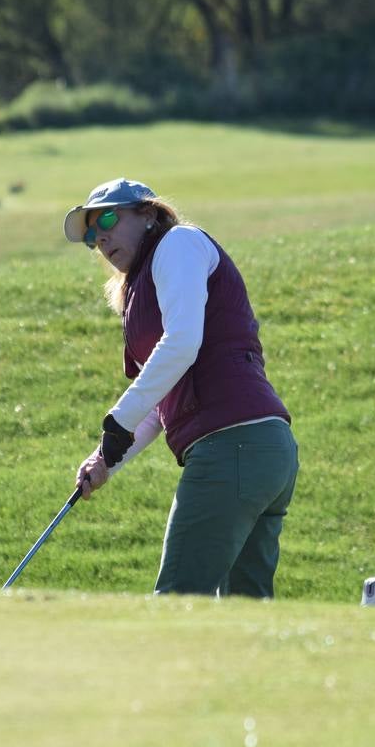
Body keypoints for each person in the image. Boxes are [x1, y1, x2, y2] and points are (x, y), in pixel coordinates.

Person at [63, 177, 299, 597]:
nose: (101, 238)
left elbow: (183, 342)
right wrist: (106, 460)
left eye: (110, 219)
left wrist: (118, 417)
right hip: (261, 451)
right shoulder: (138, 292)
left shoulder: (178, 244)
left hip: (233, 447)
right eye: (91, 237)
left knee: (177, 601)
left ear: (149, 213)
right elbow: (160, 407)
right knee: (244, 611)